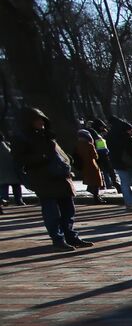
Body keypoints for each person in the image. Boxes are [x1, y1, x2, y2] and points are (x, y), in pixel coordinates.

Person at [12, 106, 93, 250]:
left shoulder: (48, 135)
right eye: (37, 120)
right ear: (28, 122)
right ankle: (58, 239)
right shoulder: (22, 138)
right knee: (52, 212)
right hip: (43, 179)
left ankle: (71, 236)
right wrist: (42, 157)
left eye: (42, 120)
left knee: (68, 210)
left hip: (60, 177)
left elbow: (58, 152)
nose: (40, 123)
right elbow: (19, 159)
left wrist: (67, 159)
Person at [74, 130, 103, 202]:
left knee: (90, 180)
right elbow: (95, 156)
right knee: (97, 181)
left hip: (83, 165)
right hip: (92, 164)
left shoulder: (77, 145)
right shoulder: (89, 144)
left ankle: (93, 193)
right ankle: (96, 197)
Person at [90, 121, 118, 190]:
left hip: (104, 154)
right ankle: (107, 184)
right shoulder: (95, 134)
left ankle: (110, 183)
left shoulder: (100, 133)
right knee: (105, 170)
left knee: (107, 170)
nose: (103, 128)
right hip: (101, 154)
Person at [0, 131, 22, 207]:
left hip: (2, 171)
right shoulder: (8, 145)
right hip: (12, 169)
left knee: (3, 186)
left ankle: (5, 200)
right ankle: (19, 200)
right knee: (16, 185)